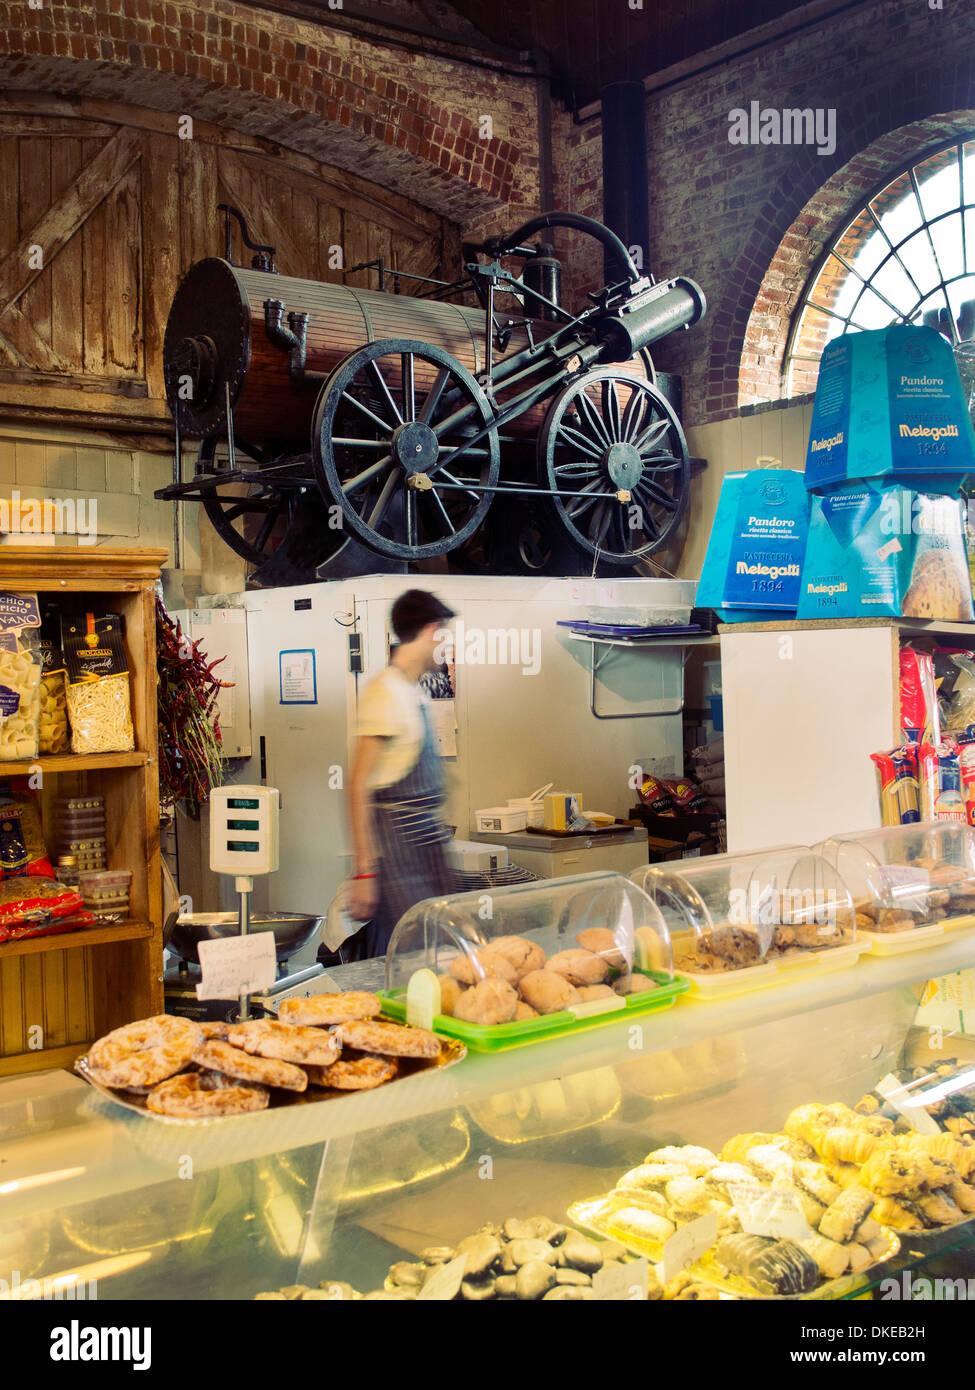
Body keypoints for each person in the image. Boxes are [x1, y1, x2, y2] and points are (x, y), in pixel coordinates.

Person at [345, 588, 456, 957]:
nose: (445, 645)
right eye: (443, 635)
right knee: (409, 958)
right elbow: (358, 785)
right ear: (429, 630)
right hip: (398, 853)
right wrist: (364, 872)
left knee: (435, 954)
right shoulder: (385, 691)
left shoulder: (412, 691)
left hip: (425, 845)